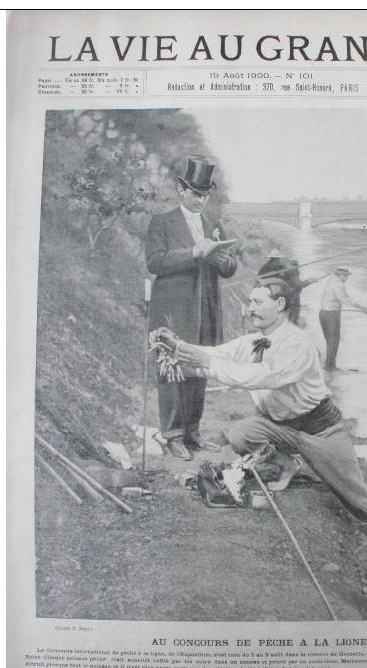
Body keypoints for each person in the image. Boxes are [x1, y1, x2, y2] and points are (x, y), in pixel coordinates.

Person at [160, 279, 367, 588]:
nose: (251, 308)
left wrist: (203, 364)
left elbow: (257, 376)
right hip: (279, 427)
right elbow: (218, 353)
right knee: (239, 433)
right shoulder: (256, 340)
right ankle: (287, 464)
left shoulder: (297, 344)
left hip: (322, 430)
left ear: (280, 305)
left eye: (258, 302)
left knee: (359, 500)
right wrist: (179, 348)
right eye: (250, 302)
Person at [144, 157, 237, 461]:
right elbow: (155, 262)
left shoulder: (213, 225)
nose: (201, 200)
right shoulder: (162, 222)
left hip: (206, 309)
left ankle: (192, 433)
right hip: (172, 310)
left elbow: (229, 267)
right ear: (181, 189)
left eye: (206, 194)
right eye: (196, 193)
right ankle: (173, 435)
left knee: (199, 367)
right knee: (172, 369)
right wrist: (195, 252)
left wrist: (223, 259)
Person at [318, 266, 367, 371]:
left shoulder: (331, 280)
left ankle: (330, 365)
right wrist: (363, 308)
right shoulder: (339, 284)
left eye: (347, 276)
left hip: (324, 313)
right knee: (334, 340)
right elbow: (345, 299)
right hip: (331, 315)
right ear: (339, 275)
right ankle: (330, 366)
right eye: (345, 276)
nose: (346, 278)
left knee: (330, 340)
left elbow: (343, 297)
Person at [256, 250, 310, 325]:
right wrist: (309, 281)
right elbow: (298, 285)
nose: (279, 260)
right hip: (275, 291)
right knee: (293, 302)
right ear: (276, 259)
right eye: (278, 259)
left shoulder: (270, 266)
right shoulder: (273, 267)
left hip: (271, 290)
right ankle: (292, 321)